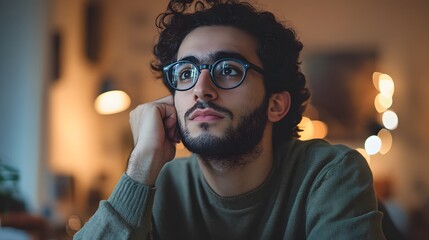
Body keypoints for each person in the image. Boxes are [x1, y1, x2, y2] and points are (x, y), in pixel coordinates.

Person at [74, 0, 385, 239]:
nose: (201, 90)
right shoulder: (160, 184)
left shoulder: (329, 174)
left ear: (275, 105)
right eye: (186, 73)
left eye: (228, 70)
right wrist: (141, 164)